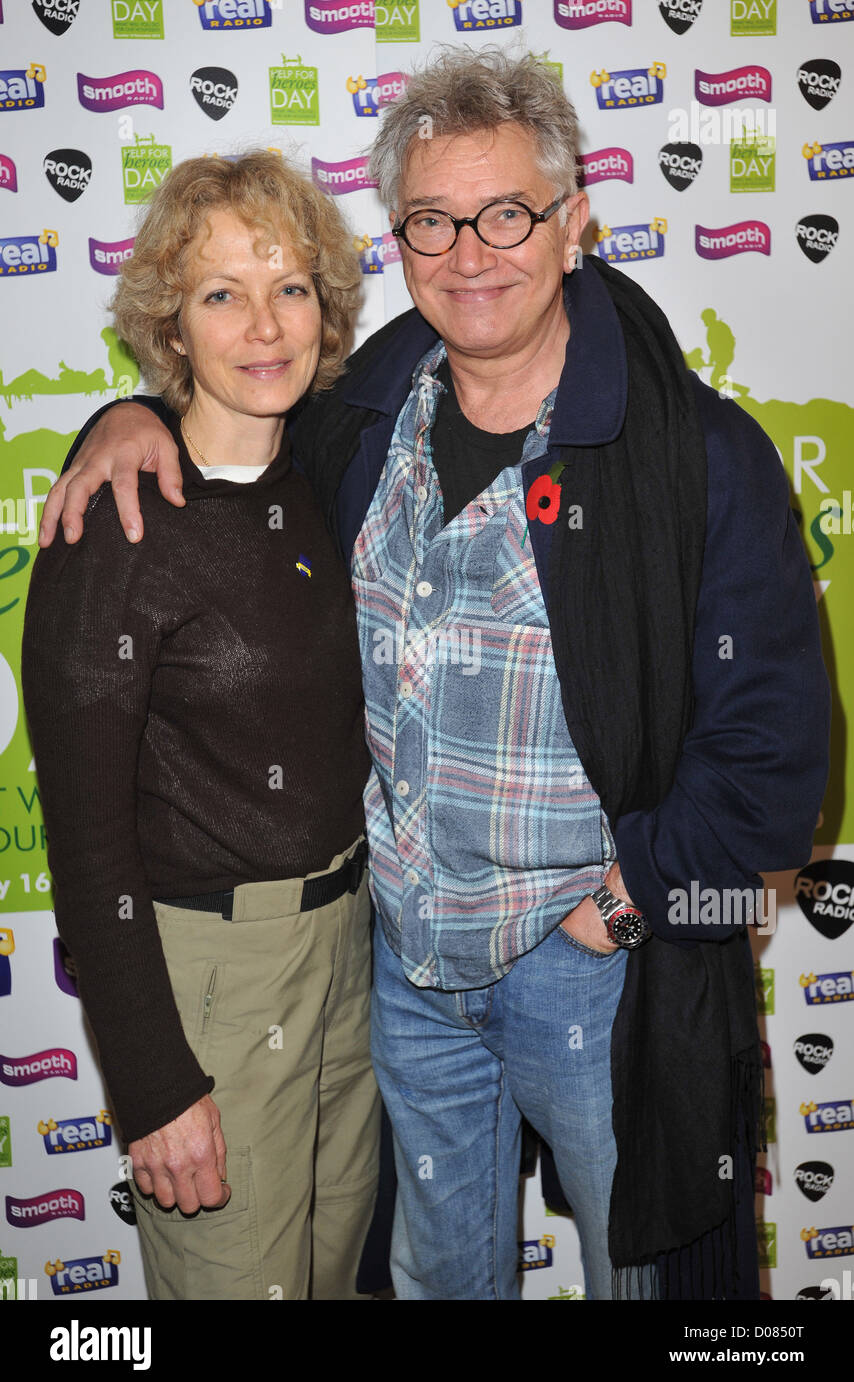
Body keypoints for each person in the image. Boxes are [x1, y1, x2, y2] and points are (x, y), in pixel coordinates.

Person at [40, 49, 830, 1301]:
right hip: (397, 980)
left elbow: (780, 763)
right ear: (398, 241)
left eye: (507, 212)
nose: (472, 253)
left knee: (651, 1285)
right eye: (431, 220)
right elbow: (218, 410)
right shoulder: (356, 421)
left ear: (572, 222)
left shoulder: (700, 457)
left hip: (587, 972)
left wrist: (620, 910)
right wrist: (120, 420)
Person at [22, 150, 380, 1301]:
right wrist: (152, 1078)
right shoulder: (116, 524)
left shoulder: (326, 472)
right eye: (221, 292)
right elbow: (84, 836)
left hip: (351, 960)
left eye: (289, 287)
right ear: (170, 325)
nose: (263, 324)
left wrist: (120, 413)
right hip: (209, 984)